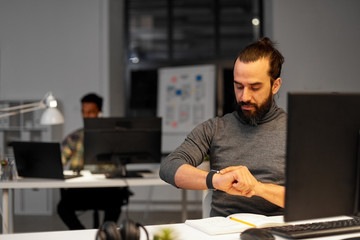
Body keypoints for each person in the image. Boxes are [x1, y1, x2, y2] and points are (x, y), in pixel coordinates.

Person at [159, 37, 286, 217]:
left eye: (255, 87)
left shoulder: (295, 132)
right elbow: (169, 167)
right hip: (223, 231)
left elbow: (309, 197)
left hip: (275, 231)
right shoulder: (215, 128)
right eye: (239, 86)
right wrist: (216, 180)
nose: (244, 97)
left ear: (275, 85)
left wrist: (257, 188)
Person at [57, 93, 130, 230]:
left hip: (106, 189)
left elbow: (121, 163)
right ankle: (82, 234)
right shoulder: (74, 137)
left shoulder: (112, 137)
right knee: (63, 208)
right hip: (80, 189)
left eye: (90, 112)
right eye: (84, 112)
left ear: (99, 112)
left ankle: (104, 234)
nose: (86, 116)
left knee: (115, 205)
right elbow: (60, 161)